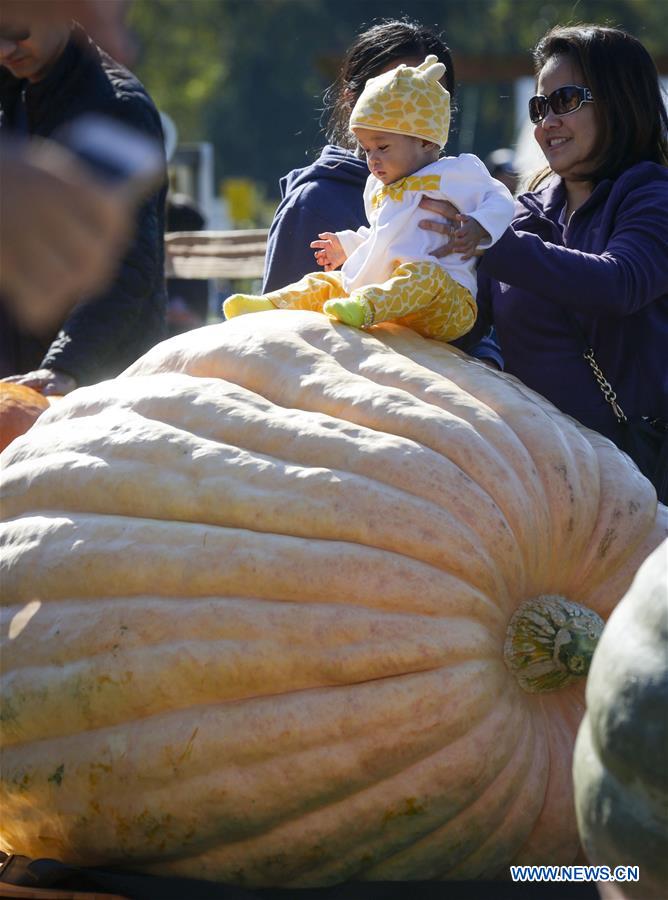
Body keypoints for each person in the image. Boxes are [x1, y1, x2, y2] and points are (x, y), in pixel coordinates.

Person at [421, 24, 668, 497]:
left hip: (639, 483)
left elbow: (620, 283)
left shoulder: (652, 196)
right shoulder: (520, 213)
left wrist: (492, 242)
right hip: (541, 488)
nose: (546, 122)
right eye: (539, 106)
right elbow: (468, 322)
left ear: (619, 100)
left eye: (566, 101)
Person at [224, 56, 514, 344]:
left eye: (383, 147)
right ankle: (271, 306)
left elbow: (499, 198)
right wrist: (348, 245)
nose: (373, 160)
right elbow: (381, 235)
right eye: (366, 149)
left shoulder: (456, 171)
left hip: (448, 300)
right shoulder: (377, 186)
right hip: (389, 289)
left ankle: (366, 307)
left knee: (425, 276)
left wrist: (478, 226)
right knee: (332, 282)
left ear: (426, 141)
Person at [0, 13, 167, 395]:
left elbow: (123, 263)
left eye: (15, 30)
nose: (4, 50)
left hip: (97, 383)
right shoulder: (13, 93)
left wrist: (66, 365)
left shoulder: (117, 109)